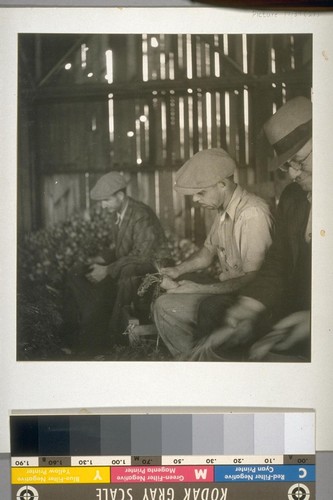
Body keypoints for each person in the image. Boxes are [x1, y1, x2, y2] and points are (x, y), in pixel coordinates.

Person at [191, 96, 312, 362]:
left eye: (300, 161)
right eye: (286, 166)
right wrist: (246, 308)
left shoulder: (253, 212)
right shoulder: (294, 198)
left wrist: (316, 320)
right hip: (294, 314)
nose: (292, 174)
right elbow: (278, 262)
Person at [153, 148, 273, 358]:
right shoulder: (223, 211)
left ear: (223, 185)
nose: (196, 200)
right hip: (233, 290)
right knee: (166, 300)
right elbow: (207, 253)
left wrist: (197, 288)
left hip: (249, 299)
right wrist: (177, 270)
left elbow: (254, 279)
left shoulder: (252, 214)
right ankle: (193, 357)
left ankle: (197, 361)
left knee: (168, 305)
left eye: (201, 193)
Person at [63, 171, 170, 357]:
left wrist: (108, 270)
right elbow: (121, 249)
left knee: (123, 275)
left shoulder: (140, 215)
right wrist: (99, 260)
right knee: (77, 272)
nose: (103, 206)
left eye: (106, 200)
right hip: (131, 264)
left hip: (151, 270)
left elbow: (143, 256)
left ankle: (110, 341)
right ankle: (82, 331)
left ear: (120, 196)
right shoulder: (119, 212)